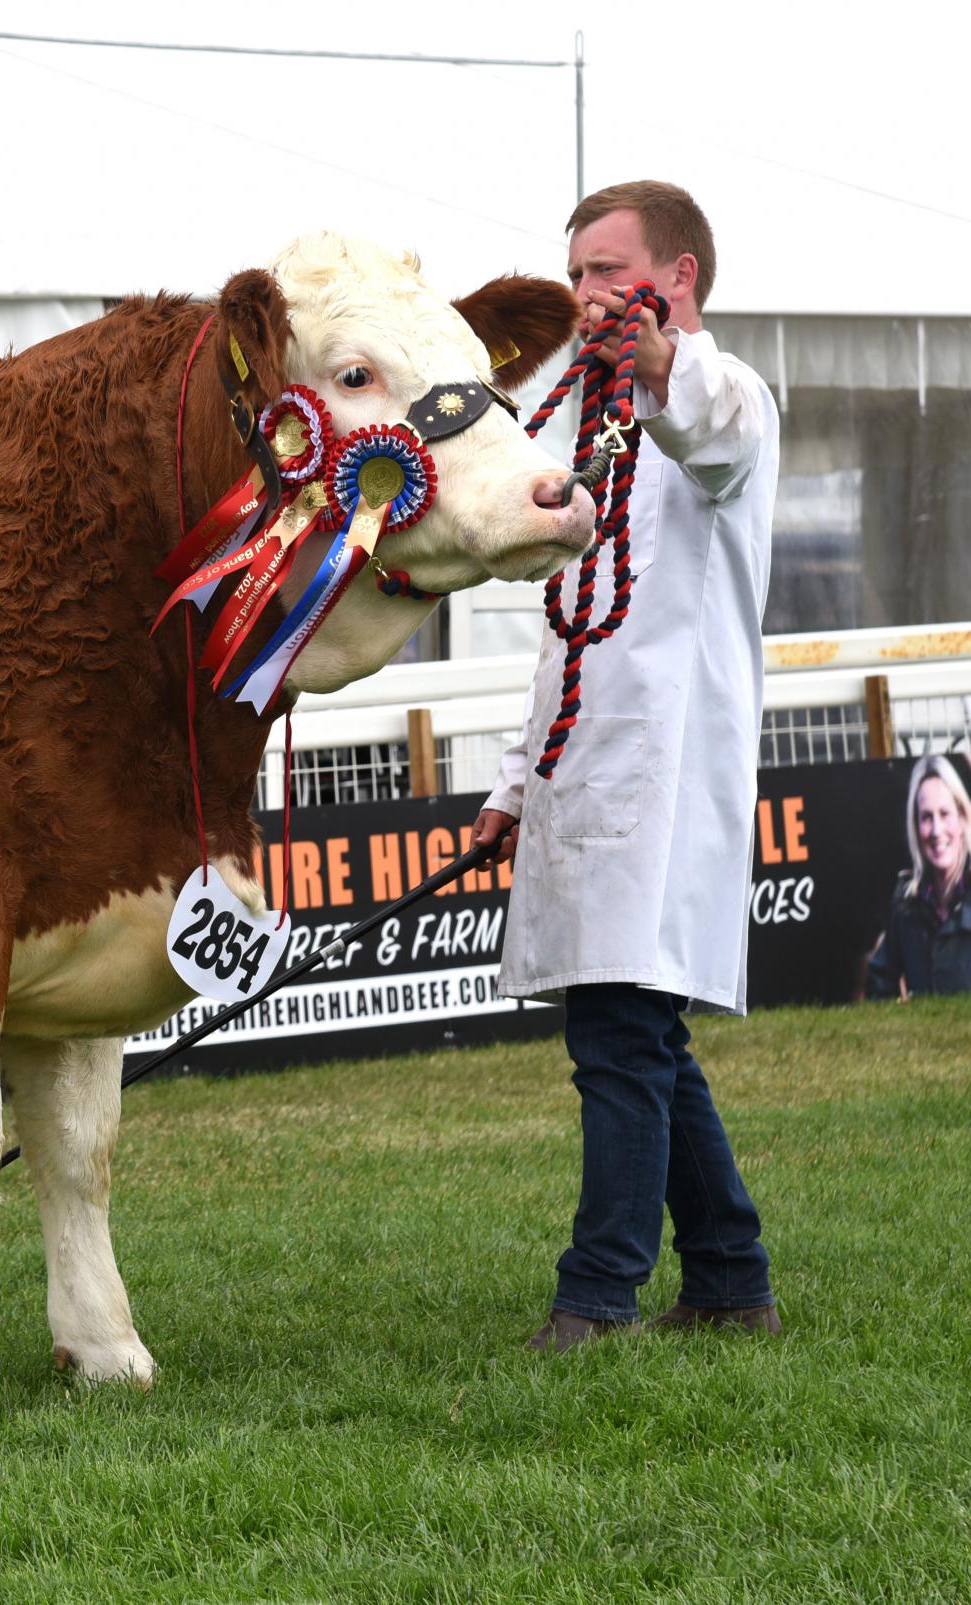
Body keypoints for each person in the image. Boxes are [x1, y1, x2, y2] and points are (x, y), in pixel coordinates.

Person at [469, 181, 781, 1352]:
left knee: (619, 1039)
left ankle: (597, 1295)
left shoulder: (724, 393)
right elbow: (566, 626)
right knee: (641, 1037)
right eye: (580, 276)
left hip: (661, 781)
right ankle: (731, 1282)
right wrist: (512, 783)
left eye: (608, 271)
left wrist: (656, 363)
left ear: (678, 277)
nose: (587, 295)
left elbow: (713, 431)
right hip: (583, 776)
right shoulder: (591, 434)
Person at [862, 755, 971, 999]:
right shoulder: (905, 907)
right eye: (926, 817)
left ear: (963, 818)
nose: (936, 830)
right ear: (915, 826)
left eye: (944, 814)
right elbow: (879, 986)